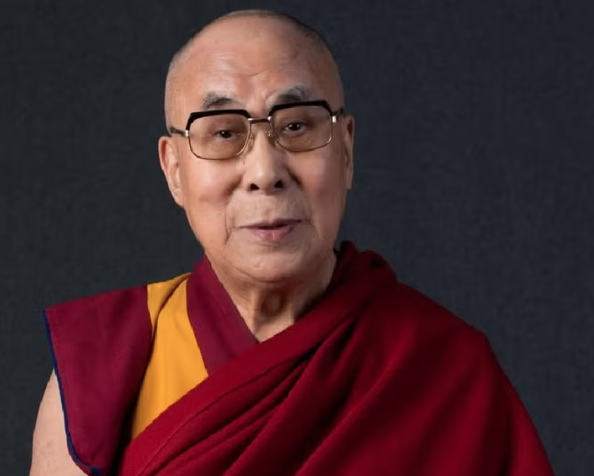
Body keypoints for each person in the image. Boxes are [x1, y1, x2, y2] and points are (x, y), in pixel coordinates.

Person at [28, 9, 554, 476]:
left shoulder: (443, 369)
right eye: (224, 133)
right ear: (174, 170)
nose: (265, 171)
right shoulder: (105, 370)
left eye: (297, 126)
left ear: (346, 151)